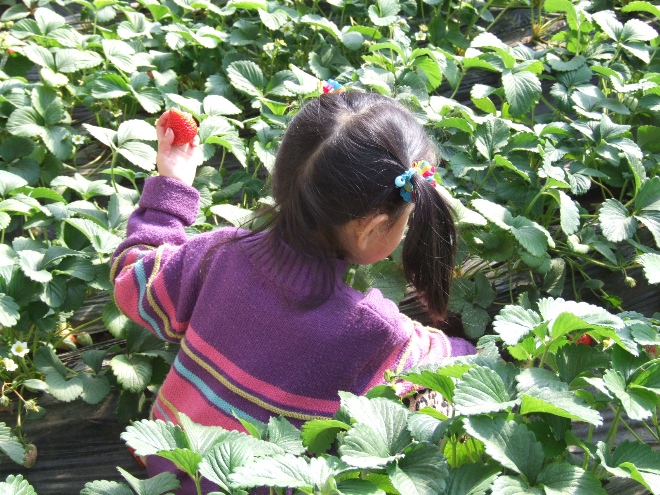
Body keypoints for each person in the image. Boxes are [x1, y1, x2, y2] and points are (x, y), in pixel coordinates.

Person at [111, 91, 476, 492]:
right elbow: (437, 370)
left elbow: (133, 281)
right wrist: (478, 352)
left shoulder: (217, 254)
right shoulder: (370, 330)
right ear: (371, 228)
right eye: (406, 219)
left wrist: (171, 187)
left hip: (165, 466)